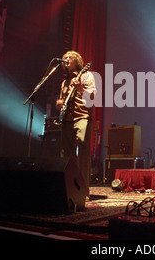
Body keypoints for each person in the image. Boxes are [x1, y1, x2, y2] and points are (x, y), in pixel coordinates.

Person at [55, 51, 96, 198]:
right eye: (64, 58)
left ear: (76, 61)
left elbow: (91, 98)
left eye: (69, 58)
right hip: (67, 119)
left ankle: (83, 190)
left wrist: (80, 88)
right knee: (65, 155)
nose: (66, 60)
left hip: (82, 116)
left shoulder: (87, 76)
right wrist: (59, 104)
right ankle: (67, 188)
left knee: (83, 151)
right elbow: (61, 101)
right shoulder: (64, 82)